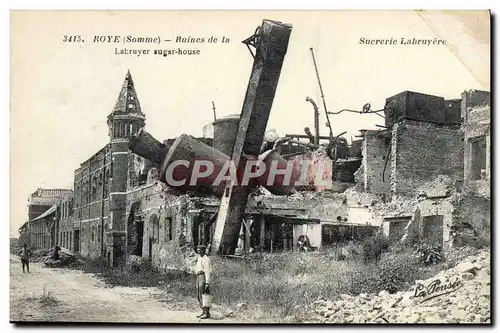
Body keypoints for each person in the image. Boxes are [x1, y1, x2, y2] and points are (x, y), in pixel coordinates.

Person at [194, 244, 212, 319]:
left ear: (204, 251)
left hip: (203, 276)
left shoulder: (206, 259)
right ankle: (203, 311)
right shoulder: (199, 258)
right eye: (198, 250)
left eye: (200, 250)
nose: (199, 251)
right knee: (198, 295)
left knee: (204, 295)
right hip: (198, 276)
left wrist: (207, 282)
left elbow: (207, 271)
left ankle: (207, 313)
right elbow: (197, 267)